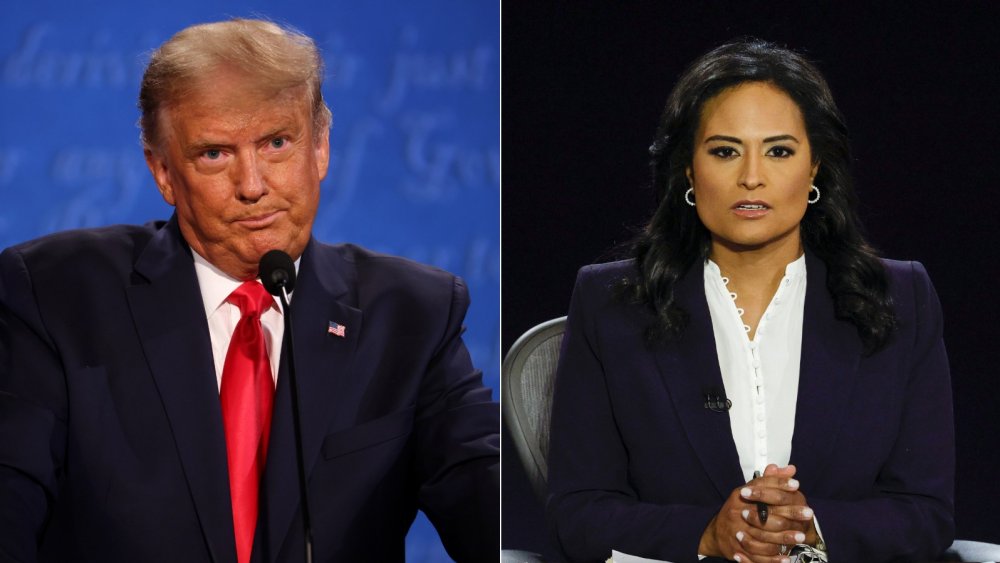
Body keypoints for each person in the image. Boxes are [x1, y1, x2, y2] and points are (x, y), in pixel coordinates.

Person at [0, 18, 499, 563]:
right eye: (215, 153)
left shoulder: (410, 314)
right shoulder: (55, 296)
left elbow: (482, 493)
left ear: (321, 149)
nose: (254, 186)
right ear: (163, 171)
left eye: (278, 143)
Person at [546, 39, 953, 563]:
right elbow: (577, 513)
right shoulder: (612, 304)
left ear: (816, 170)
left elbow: (926, 511)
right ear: (689, 171)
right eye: (724, 151)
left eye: (779, 150)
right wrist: (709, 535)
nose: (751, 176)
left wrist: (809, 528)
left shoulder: (901, 299)